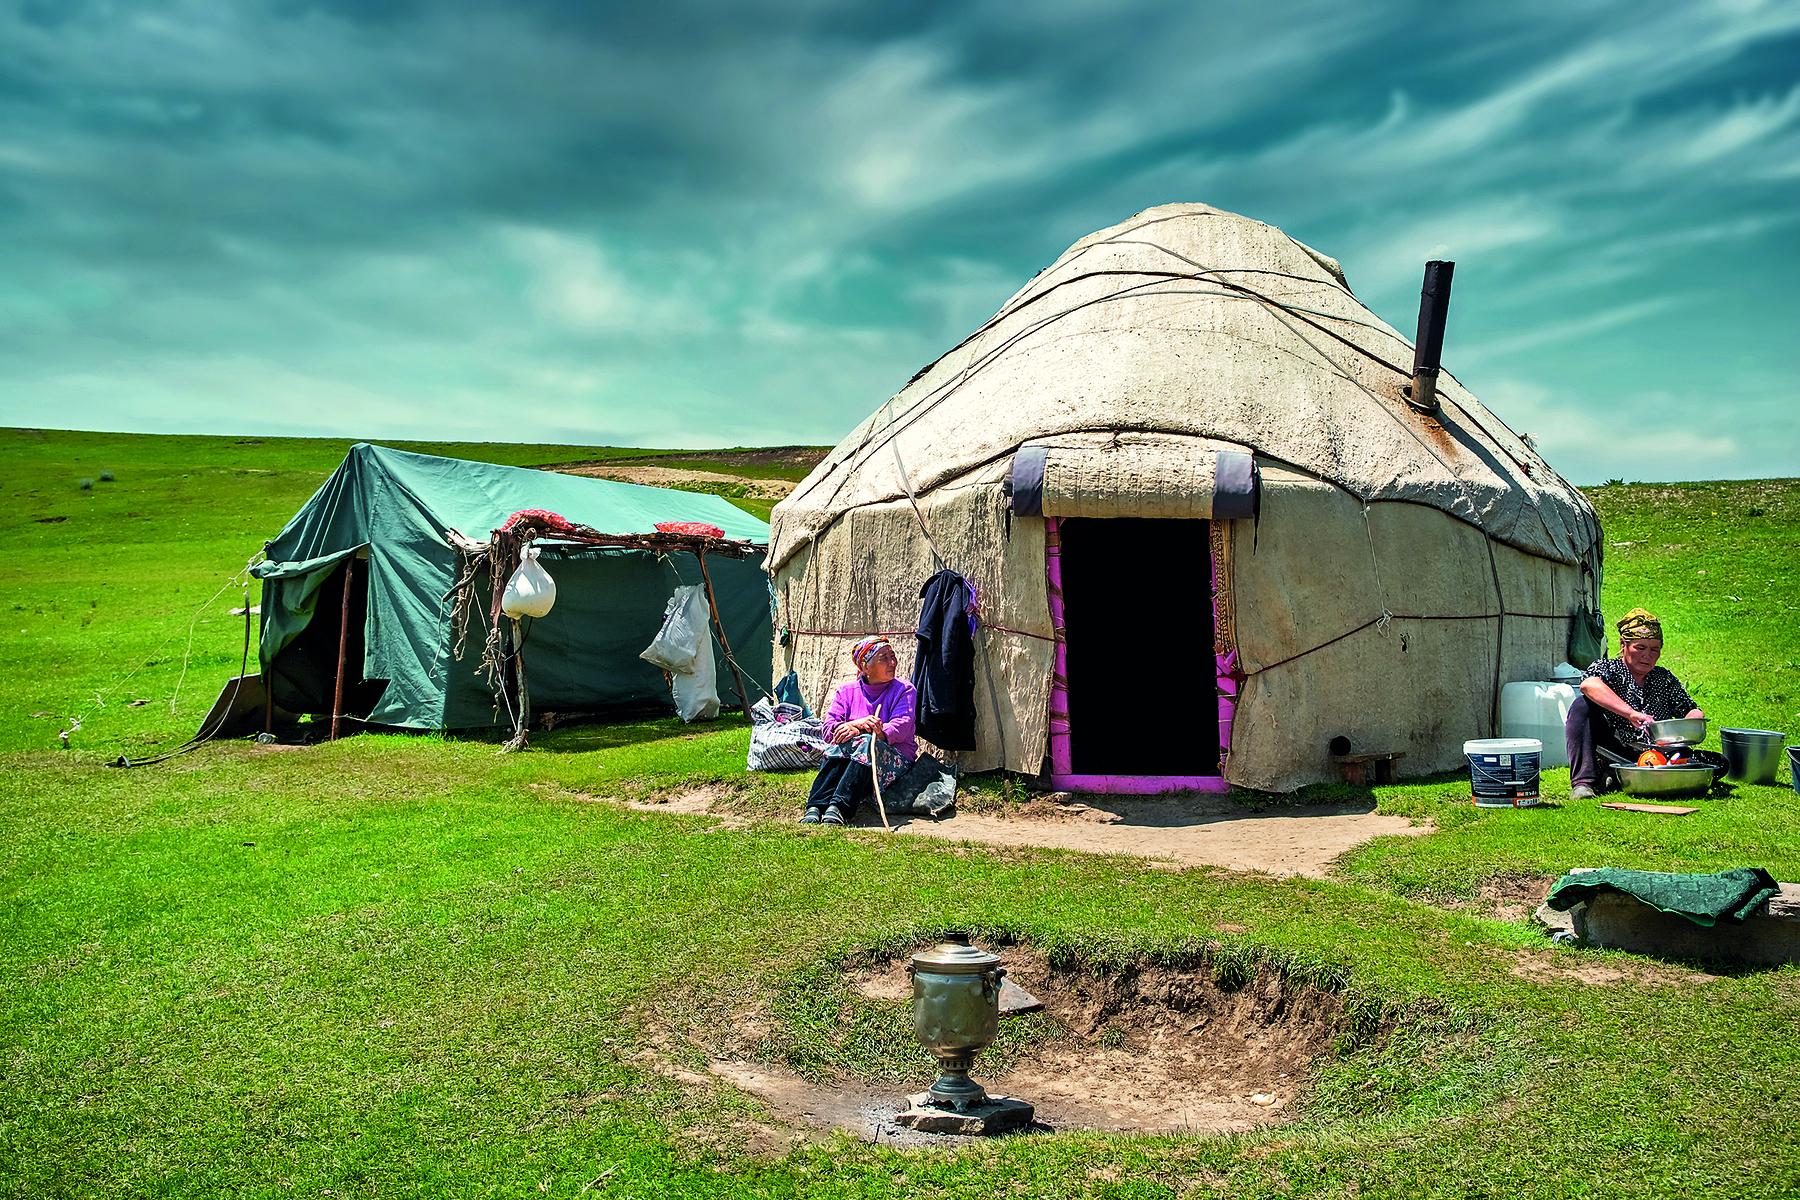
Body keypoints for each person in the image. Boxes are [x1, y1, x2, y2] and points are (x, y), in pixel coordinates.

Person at [1566, 607, 1723, 800]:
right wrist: (1630, 713)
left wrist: (1693, 722)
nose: (1647, 655)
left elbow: (1690, 710)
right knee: (1582, 705)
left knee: (1718, 762)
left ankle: (1622, 777)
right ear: (1624, 644)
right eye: (1640, 648)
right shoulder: (1607, 668)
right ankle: (1584, 784)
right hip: (1615, 750)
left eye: (1654, 649)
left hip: (1658, 754)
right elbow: (1589, 685)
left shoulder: (1663, 678)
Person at [800, 636, 918, 825]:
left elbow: (901, 727)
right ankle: (815, 806)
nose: (892, 662)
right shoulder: (847, 692)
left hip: (895, 761)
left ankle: (839, 807)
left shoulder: (904, 690)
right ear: (865, 667)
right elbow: (828, 730)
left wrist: (861, 730)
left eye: (892, 656)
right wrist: (856, 724)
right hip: (856, 761)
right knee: (839, 744)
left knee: (864, 742)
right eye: (884, 658)